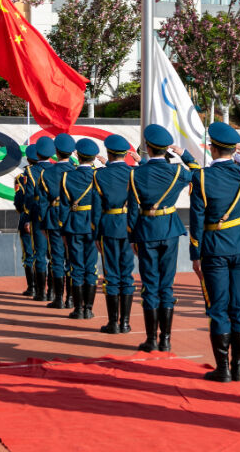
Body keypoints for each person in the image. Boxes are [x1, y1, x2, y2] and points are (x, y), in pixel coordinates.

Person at [189, 123, 240, 383]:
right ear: (234, 149)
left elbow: (196, 220)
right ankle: (239, 366)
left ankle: (224, 368)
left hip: (214, 247)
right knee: (239, 306)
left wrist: (195, 253)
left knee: (218, 308)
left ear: (212, 148)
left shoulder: (202, 177)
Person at [128, 123, 200, 352]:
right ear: (167, 149)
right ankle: (166, 340)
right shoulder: (178, 172)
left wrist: (132, 237)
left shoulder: (136, 173)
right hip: (169, 229)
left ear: (147, 148)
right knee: (166, 286)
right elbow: (197, 172)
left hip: (146, 230)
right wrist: (184, 154)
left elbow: (131, 210)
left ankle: (151, 339)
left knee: (150, 286)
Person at [94, 134, 137, 334]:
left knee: (111, 275)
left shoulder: (99, 175)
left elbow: (95, 209)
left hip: (109, 227)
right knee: (126, 274)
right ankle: (126, 322)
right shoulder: (134, 173)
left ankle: (113, 322)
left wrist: (95, 234)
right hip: (129, 227)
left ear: (109, 153)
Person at [60, 138, 103, 320]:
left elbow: (63, 206)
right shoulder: (99, 176)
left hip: (74, 224)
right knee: (91, 268)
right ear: (94, 157)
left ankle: (78, 309)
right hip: (92, 224)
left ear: (77, 155)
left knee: (76, 267)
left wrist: (62, 229)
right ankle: (89, 308)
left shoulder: (67, 176)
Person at [38, 133, 78, 310]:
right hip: (72, 216)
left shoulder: (47, 173)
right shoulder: (76, 171)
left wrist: (43, 223)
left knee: (56, 258)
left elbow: (42, 202)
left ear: (56, 151)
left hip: (54, 217)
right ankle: (71, 298)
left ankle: (58, 299)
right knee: (71, 258)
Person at [30, 136, 56, 301]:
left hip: (38, 217)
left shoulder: (29, 172)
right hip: (56, 218)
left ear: (37, 154)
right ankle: (53, 292)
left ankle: (40, 292)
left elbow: (26, 199)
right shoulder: (59, 171)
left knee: (39, 254)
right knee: (55, 255)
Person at [13, 145, 40, 297]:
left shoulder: (22, 178)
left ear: (28, 159)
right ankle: (45, 288)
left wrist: (25, 214)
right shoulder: (47, 173)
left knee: (29, 253)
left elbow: (19, 200)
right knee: (44, 253)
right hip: (45, 218)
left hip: (27, 218)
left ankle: (32, 287)